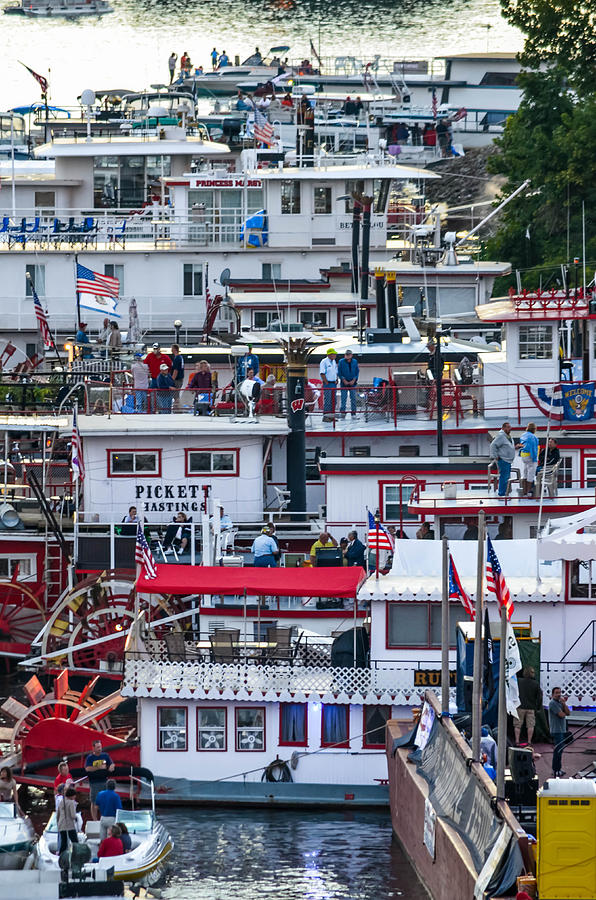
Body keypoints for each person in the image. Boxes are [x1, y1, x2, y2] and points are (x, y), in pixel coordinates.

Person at [85, 740, 115, 821]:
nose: (99, 749)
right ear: (93, 748)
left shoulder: (105, 755)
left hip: (104, 781)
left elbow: (111, 763)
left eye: (100, 747)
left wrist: (112, 766)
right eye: (98, 747)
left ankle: (103, 817)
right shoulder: (90, 757)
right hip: (94, 782)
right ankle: (95, 820)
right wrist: (99, 767)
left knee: (104, 801)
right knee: (94, 802)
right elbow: (87, 768)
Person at [514, 666, 543, 746]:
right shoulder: (536, 683)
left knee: (517, 725)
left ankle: (517, 741)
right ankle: (529, 741)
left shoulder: (518, 681)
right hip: (531, 707)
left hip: (519, 706)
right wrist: (538, 707)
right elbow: (539, 696)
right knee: (530, 725)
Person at [549, 686, 571, 777]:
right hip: (556, 730)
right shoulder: (553, 703)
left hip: (561, 730)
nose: (559, 694)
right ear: (553, 694)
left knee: (560, 750)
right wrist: (564, 710)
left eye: (560, 692)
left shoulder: (560, 703)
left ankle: (558, 769)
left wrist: (564, 704)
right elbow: (561, 715)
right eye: (557, 693)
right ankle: (556, 770)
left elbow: (568, 713)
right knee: (558, 750)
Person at [489, 422, 516, 497]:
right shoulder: (501, 436)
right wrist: (495, 456)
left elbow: (506, 446)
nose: (510, 428)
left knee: (506, 477)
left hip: (508, 460)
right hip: (503, 460)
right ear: (503, 428)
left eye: (510, 427)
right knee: (504, 477)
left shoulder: (507, 436)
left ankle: (504, 492)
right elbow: (493, 445)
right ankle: (502, 494)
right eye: (508, 427)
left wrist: (514, 447)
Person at [56, 786, 79, 855]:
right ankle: (76, 854)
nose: (75, 797)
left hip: (61, 824)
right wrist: (76, 817)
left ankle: (61, 855)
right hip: (69, 825)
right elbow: (72, 815)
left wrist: (58, 823)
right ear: (72, 795)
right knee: (75, 841)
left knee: (64, 842)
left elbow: (58, 814)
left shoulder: (61, 802)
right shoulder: (71, 803)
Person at [518, 422, 538, 497]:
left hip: (524, 455)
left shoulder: (523, 435)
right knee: (531, 474)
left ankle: (524, 491)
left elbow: (521, 445)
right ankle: (529, 492)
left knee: (525, 472)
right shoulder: (533, 437)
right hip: (530, 456)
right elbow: (533, 449)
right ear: (534, 429)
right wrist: (534, 458)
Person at [338, 349, 359, 417]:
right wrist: (343, 380)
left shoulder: (355, 361)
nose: (347, 356)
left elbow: (357, 371)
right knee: (343, 398)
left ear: (351, 355)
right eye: (346, 355)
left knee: (353, 398)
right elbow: (339, 372)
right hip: (344, 383)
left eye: (349, 355)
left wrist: (354, 380)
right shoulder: (341, 361)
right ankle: (343, 412)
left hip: (353, 383)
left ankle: (353, 412)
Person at [320, 348, 338, 421]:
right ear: (329, 354)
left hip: (333, 383)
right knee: (328, 400)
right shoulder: (324, 361)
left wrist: (336, 379)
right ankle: (326, 416)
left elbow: (335, 372)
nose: (335, 355)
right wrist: (326, 382)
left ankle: (332, 416)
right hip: (328, 383)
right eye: (334, 354)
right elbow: (322, 373)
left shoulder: (334, 362)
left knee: (334, 400)